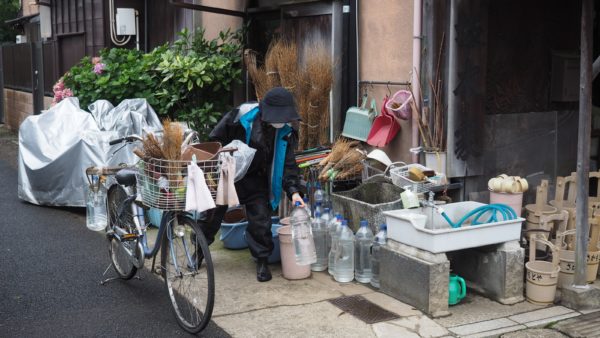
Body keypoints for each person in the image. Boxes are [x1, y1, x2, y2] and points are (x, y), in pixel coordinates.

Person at [202, 87, 305, 282]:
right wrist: (227, 156)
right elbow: (215, 140)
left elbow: (288, 165)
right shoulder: (241, 117)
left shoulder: (285, 132)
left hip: (257, 180)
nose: (281, 121)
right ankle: (199, 250)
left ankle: (262, 261)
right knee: (212, 215)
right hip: (229, 175)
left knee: (261, 221)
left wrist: (294, 192)